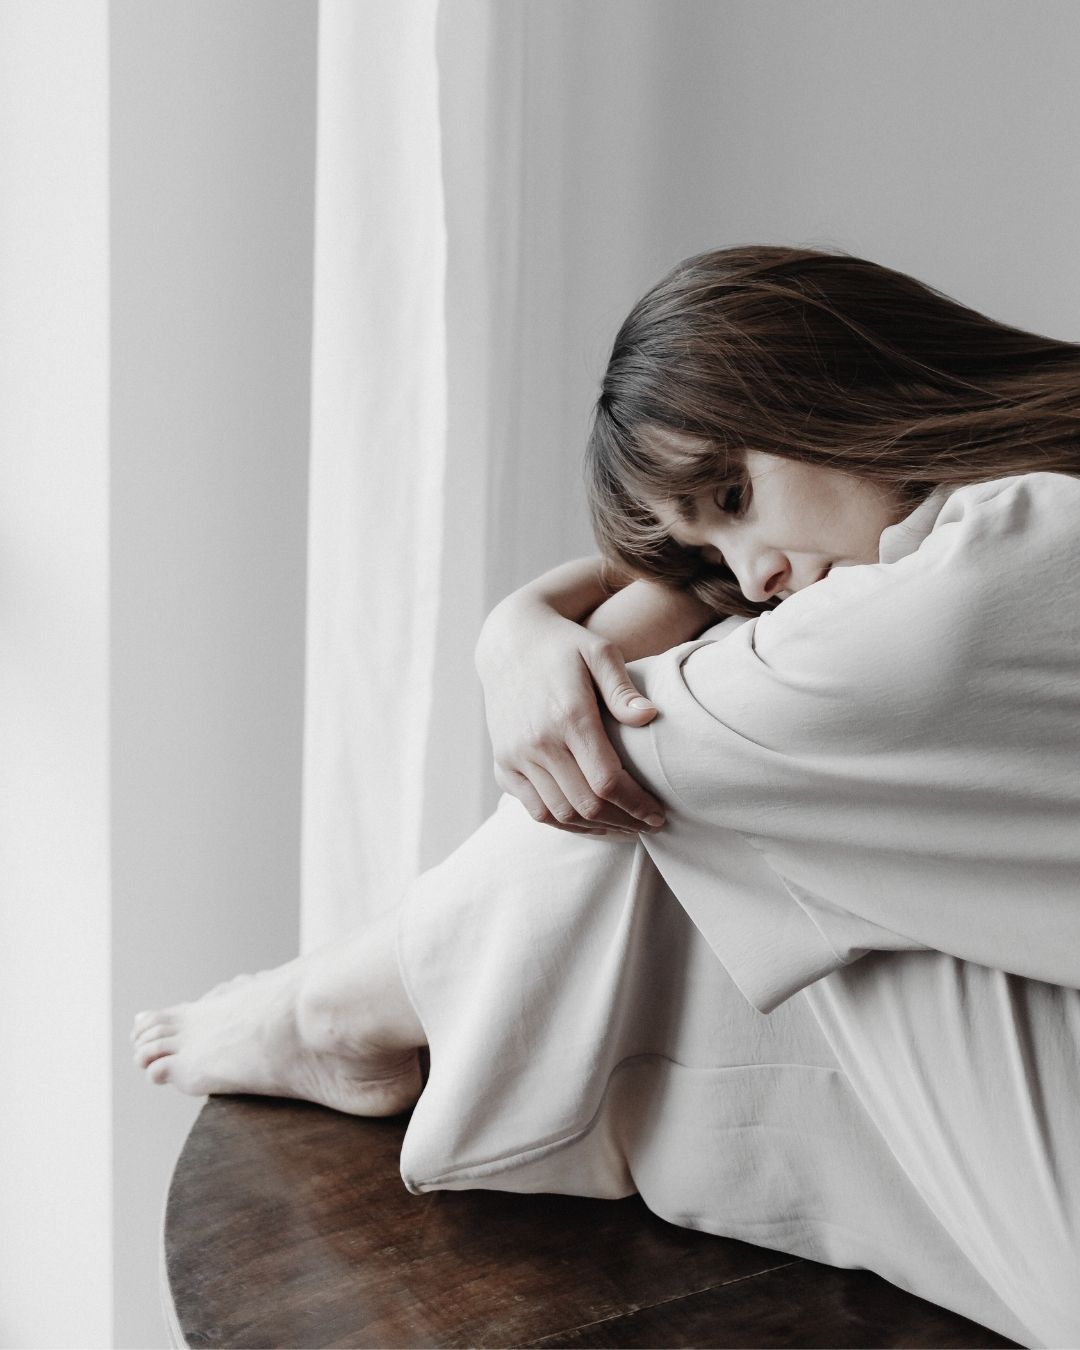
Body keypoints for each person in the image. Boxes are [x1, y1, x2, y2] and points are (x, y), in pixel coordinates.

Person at [131, 247, 1080, 1347]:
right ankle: (350, 1016)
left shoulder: (981, 585)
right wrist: (537, 624)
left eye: (733, 496)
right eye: (708, 550)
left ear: (840, 380)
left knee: (640, 822)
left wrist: (520, 629)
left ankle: (336, 1012)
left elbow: (593, 752)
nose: (756, 573)